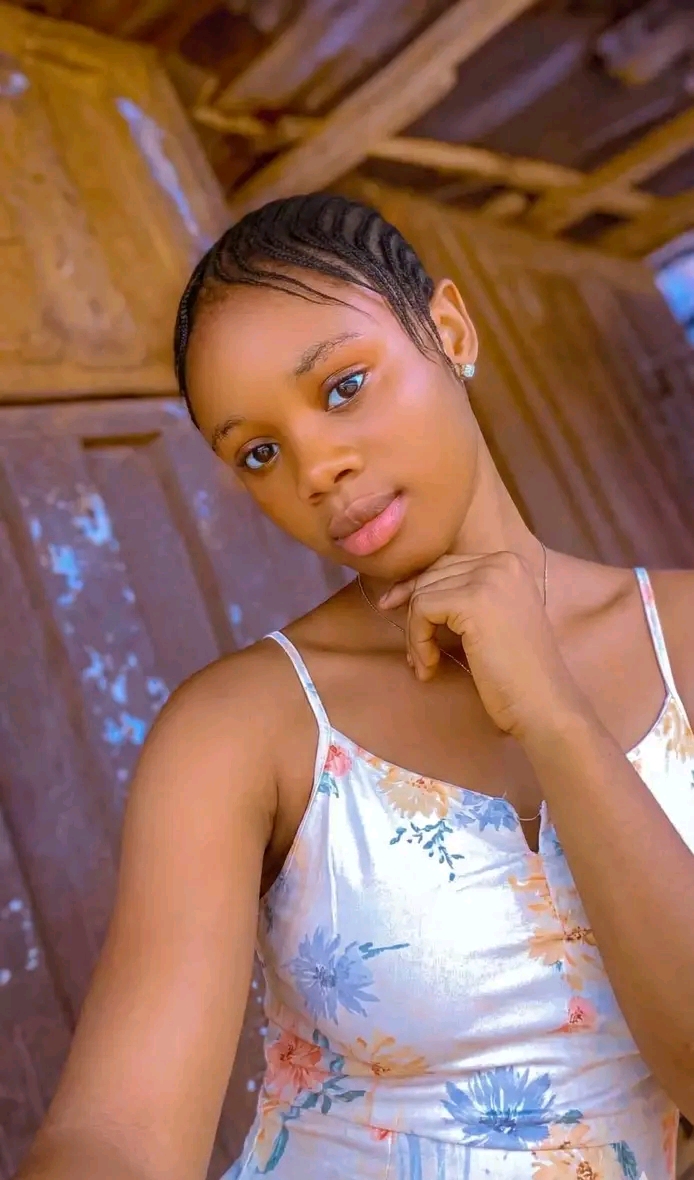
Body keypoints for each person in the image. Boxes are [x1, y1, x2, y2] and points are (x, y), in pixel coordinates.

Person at [19, 194, 694, 1180]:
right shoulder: (242, 728)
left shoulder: (681, 639)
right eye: (258, 453)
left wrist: (551, 711)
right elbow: (117, 1132)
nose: (318, 467)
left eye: (342, 387)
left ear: (450, 330)